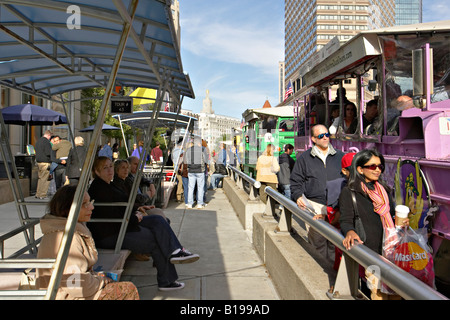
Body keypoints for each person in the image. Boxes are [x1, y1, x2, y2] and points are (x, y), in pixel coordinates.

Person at [88, 156, 200, 291]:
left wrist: (138, 209)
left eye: (110, 166)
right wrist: (136, 218)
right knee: (156, 239)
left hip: (122, 226)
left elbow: (124, 204)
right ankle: (166, 281)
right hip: (111, 234)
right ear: (97, 171)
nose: (109, 170)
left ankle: (176, 251)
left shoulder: (108, 185)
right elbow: (111, 216)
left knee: (158, 221)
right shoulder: (100, 189)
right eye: (105, 168)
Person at [36, 185, 139, 300]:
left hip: (67, 292)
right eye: (85, 204)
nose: (91, 207)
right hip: (66, 296)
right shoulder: (68, 239)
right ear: (68, 208)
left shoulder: (66, 231)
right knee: (127, 290)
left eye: (90, 201)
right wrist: (101, 281)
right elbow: (76, 285)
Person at [340, 149, 408, 300]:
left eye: (380, 166)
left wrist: (401, 223)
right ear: (360, 169)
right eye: (372, 166)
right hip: (373, 253)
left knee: (397, 295)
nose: (377, 169)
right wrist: (350, 232)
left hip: (393, 251)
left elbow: (389, 216)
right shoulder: (350, 192)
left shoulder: (384, 189)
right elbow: (345, 221)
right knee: (378, 295)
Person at [290, 124, 344, 262]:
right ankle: (320, 274)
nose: (325, 138)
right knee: (317, 243)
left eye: (327, 135)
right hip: (314, 205)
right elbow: (296, 180)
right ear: (314, 139)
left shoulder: (340, 156)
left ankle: (334, 276)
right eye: (321, 136)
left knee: (335, 244)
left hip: (336, 206)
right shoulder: (305, 158)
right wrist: (297, 196)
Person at [184, 139, 209, 209]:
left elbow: (186, 160)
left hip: (191, 170)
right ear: (199, 143)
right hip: (200, 170)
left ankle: (190, 203)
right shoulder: (202, 150)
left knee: (190, 187)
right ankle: (199, 203)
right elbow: (205, 160)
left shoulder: (188, 150)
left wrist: (189, 167)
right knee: (200, 187)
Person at [34, 130, 53, 199]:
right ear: (49, 135)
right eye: (50, 137)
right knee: (45, 179)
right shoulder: (46, 142)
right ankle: (42, 194)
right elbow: (48, 152)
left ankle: (38, 193)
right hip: (45, 162)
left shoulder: (38, 141)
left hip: (39, 162)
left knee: (40, 178)